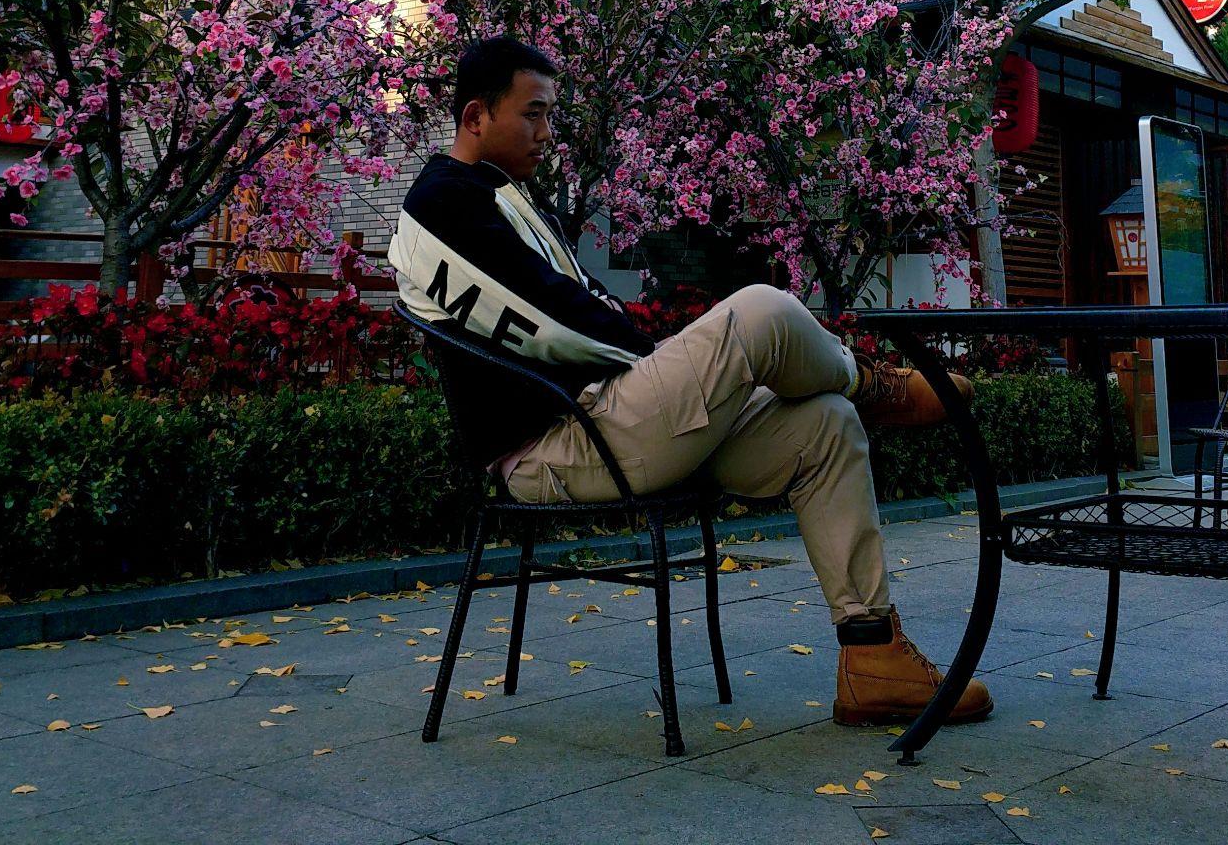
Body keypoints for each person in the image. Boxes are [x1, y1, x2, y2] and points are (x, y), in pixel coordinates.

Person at [390, 36, 993, 726]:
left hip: (608, 420)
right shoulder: (440, 204)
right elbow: (552, 320)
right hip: (556, 443)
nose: (548, 133)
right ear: (475, 116)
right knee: (763, 309)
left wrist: (672, 369)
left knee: (826, 425)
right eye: (533, 114)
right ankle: (876, 387)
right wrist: (663, 363)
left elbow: (576, 308)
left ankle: (873, 658)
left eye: (550, 114)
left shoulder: (508, 197)